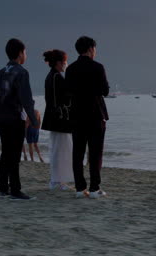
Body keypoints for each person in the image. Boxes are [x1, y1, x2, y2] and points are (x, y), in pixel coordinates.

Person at [0, 38, 38, 200]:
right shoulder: (22, 72)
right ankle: (15, 190)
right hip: (15, 117)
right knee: (15, 155)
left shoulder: (0, 72)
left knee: (6, 152)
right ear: (20, 53)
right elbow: (26, 99)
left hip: (2, 118)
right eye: (25, 52)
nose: (25, 55)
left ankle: (3, 187)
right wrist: (34, 119)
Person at [66, 36, 110, 199]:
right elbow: (105, 91)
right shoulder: (98, 67)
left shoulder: (70, 69)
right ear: (91, 49)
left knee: (78, 153)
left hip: (77, 115)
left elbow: (68, 91)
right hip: (95, 115)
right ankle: (94, 188)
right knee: (95, 153)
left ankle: (79, 188)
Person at [41, 49, 74, 190]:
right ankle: (57, 180)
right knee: (61, 149)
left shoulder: (51, 76)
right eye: (65, 62)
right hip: (59, 118)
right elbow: (64, 98)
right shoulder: (56, 77)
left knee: (58, 148)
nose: (66, 64)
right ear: (59, 62)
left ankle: (58, 180)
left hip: (54, 117)